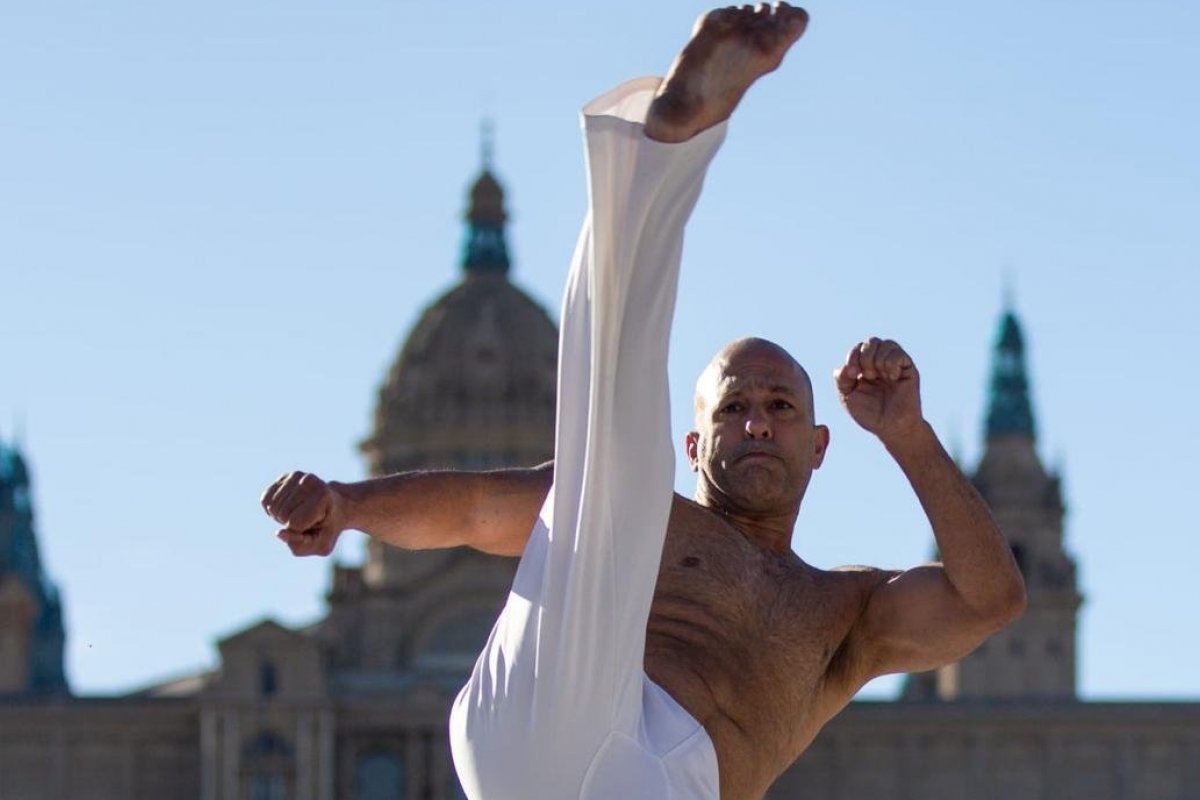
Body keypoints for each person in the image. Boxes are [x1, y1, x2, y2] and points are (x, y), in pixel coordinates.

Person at [261, 5, 1027, 799]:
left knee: (609, 483)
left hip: (661, 786)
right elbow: (477, 508)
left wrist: (908, 435)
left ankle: (659, 160)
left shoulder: (846, 611)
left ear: (820, 444)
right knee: (604, 473)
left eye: (780, 407)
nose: (756, 421)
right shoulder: (636, 518)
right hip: (550, 717)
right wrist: (345, 506)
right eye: (730, 408)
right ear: (695, 446)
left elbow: (991, 601)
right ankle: (662, 149)